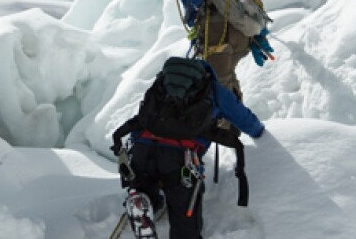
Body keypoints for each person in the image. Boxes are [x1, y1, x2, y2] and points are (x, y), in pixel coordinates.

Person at [111, 58, 265, 239]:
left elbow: (145, 117)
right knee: (185, 221)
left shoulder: (161, 83)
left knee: (145, 180)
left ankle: (143, 201)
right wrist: (260, 132)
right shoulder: (214, 90)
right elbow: (245, 120)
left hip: (142, 151)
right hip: (181, 159)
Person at [152, 0, 273, 99]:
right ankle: (236, 119)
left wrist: (199, 5)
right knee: (224, 82)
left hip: (217, 31)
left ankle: (228, 121)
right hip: (239, 33)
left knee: (216, 90)